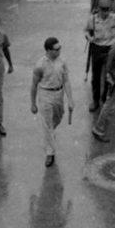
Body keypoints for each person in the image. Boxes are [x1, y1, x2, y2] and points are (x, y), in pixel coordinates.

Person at [31, 37, 74, 166]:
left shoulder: (62, 62)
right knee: (47, 124)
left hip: (59, 94)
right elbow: (34, 85)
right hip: (45, 94)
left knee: (58, 117)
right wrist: (32, 103)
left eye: (60, 48)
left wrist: (70, 99)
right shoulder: (40, 65)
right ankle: (50, 153)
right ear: (49, 50)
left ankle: (49, 135)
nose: (59, 50)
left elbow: (66, 80)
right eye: (56, 49)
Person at [85, 0, 115, 112]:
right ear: (98, 9)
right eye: (103, 9)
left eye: (107, 9)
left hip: (110, 49)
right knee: (95, 76)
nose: (105, 12)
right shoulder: (92, 19)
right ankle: (95, 100)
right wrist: (89, 38)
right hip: (97, 48)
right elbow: (86, 31)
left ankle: (105, 98)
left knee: (108, 75)